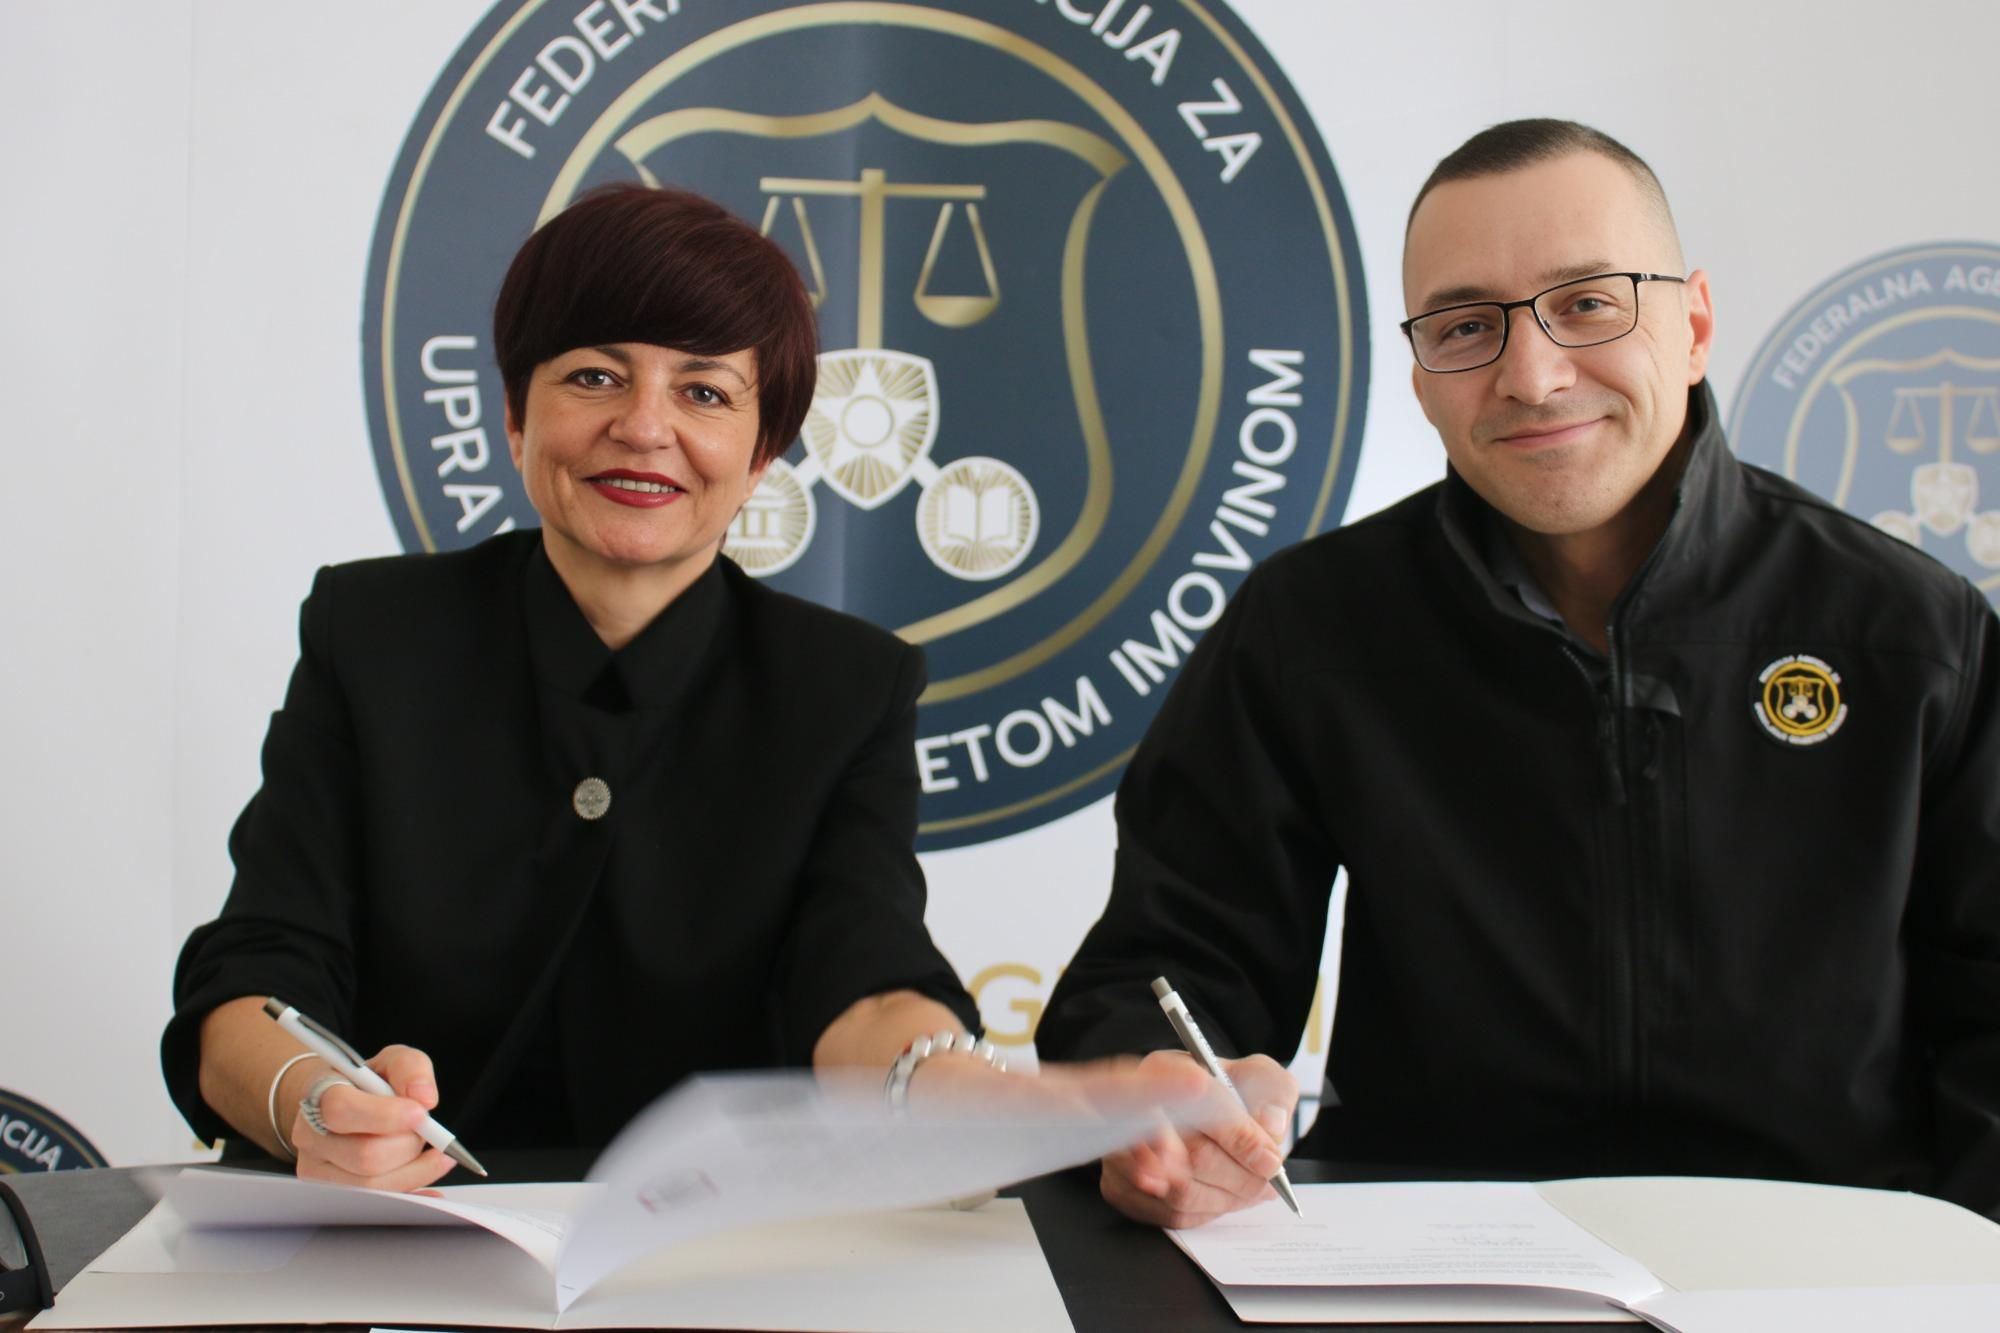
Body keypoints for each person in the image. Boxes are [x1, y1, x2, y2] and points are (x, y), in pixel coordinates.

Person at [1036, 119, 2000, 1227]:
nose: (1532, 377)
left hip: (1824, 1262)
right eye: (1465, 326)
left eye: (1586, 304)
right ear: (1419, 377)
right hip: (1424, 1254)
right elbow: (1170, 966)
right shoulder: (1312, 627)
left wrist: (1942, 1275)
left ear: (1692, 326)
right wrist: (1154, 1093)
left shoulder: (1909, 630)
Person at [163, 184, 1199, 1192]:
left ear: (761, 454)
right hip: (398, 1236)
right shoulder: (373, 634)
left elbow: (863, 977)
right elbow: (256, 976)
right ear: (516, 417)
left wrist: (1003, 1099)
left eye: (703, 392)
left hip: (720, 1251)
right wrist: (312, 1104)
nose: (643, 426)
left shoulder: (844, 686)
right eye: (593, 377)